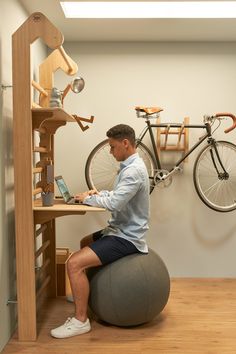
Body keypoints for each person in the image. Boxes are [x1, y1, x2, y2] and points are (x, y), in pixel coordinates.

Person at [51, 124, 150, 339]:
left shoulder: (134, 171)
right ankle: (82, 295)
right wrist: (97, 193)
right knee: (85, 241)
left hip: (127, 237)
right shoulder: (129, 167)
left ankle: (80, 321)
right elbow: (119, 195)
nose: (110, 151)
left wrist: (87, 198)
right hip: (118, 229)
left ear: (125, 143)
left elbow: (115, 203)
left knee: (73, 263)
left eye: (113, 147)